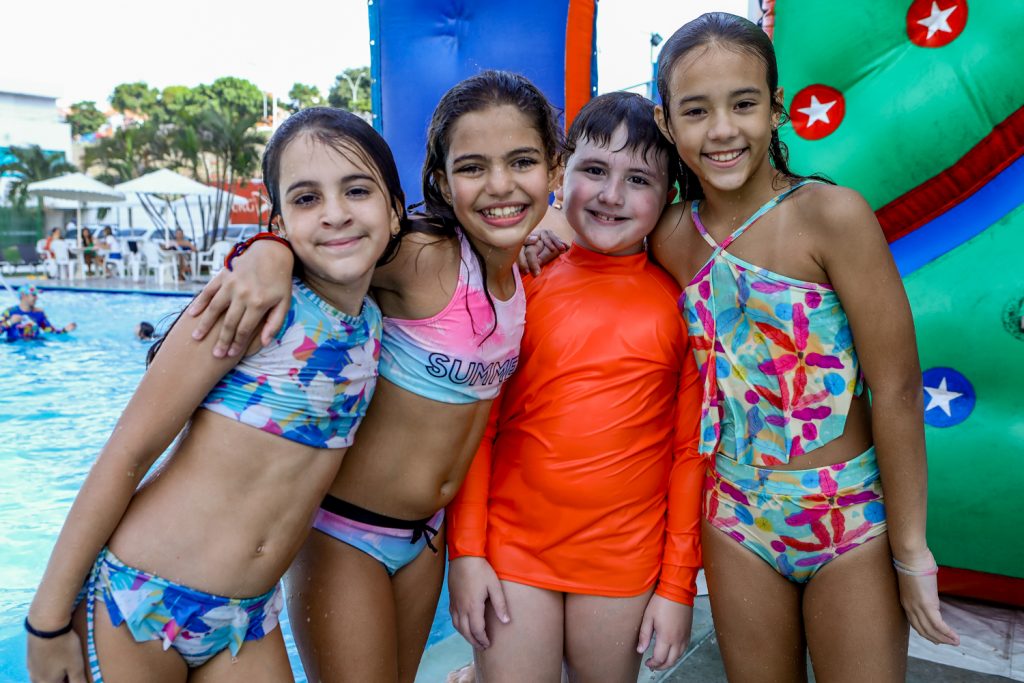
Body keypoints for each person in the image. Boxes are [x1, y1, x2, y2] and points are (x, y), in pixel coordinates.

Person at [186, 70, 559, 682]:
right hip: (344, 534)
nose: (500, 186)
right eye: (472, 168)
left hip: (425, 543)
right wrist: (266, 252)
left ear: (554, 169)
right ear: (439, 182)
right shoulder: (422, 257)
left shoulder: (522, 273)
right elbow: (330, 243)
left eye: (522, 161)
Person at [25, 107, 400, 683]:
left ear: (396, 212)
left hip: (245, 619)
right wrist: (45, 623)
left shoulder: (376, 319)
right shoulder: (248, 307)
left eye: (357, 190)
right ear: (277, 221)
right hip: (141, 603)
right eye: (305, 199)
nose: (335, 213)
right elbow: (126, 454)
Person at [647, 13, 959, 681]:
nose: (723, 129)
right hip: (735, 516)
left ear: (777, 109)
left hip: (849, 518)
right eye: (696, 111)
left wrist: (911, 552)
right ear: (668, 124)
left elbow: (898, 386)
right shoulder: (668, 235)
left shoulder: (831, 216)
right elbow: (586, 211)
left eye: (744, 103)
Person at [445, 92, 704, 683]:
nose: (612, 195)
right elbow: (477, 431)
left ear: (668, 196)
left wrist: (677, 584)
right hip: (512, 551)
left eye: (638, 178)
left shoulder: (680, 305)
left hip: (620, 560)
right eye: (594, 170)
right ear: (562, 175)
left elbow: (689, 455)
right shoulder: (519, 285)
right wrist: (469, 552)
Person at [1, 284, 76, 341]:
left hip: (36, 346)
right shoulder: (9, 312)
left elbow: (49, 331)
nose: (37, 298)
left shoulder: (39, 313)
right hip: (15, 347)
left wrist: (65, 330)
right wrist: (10, 322)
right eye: (33, 295)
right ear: (23, 295)